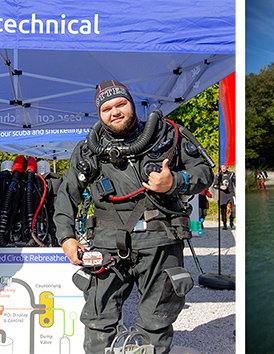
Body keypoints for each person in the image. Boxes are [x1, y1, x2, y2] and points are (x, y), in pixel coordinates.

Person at [53, 79, 213, 354]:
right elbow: (67, 195)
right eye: (107, 108)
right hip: (106, 244)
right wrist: (66, 237)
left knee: (156, 320)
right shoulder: (87, 150)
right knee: (97, 318)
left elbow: (205, 174)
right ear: (99, 114)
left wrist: (175, 181)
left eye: (121, 104)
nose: (115, 111)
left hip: (159, 241)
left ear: (132, 105)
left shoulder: (168, 136)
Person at [216, 165, 236, 229]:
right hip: (223, 194)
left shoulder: (231, 174)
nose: (223, 168)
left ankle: (231, 221)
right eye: (222, 167)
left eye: (224, 167)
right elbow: (215, 185)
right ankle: (224, 224)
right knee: (223, 210)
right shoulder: (218, 175)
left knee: (234, 209)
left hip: (231, 193)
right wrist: (220, 186)